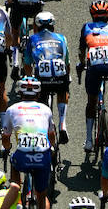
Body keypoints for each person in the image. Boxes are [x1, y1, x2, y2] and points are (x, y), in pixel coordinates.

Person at [0, 77, 55, 209]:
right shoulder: (46, 109)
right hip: (42, 156)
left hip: (22, 156)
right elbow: (51, 135)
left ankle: (17, 195)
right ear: (39, 93)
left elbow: (5, 137)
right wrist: (51, 148)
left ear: (20, 93)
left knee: (14, 178)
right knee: (42, 195)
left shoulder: (12, 109)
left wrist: (7, 148)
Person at [78, 0, 108, 151]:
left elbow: (81, 52)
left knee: (91, 103)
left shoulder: (87, 27)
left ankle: (89, 140)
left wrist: (82, 64)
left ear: (92, 15)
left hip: (95, 68)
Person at [22, 10, 70, 144]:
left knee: (40, 102)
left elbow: (27, 63)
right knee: (63, 91)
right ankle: (62, 124)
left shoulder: (32, 39)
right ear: (53, 26)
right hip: (60, 76)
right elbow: (67, 62)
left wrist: (29, 77)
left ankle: (45, 125)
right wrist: (68, 78)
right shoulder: (61, 38)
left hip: (42, 79)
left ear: (36, 27)